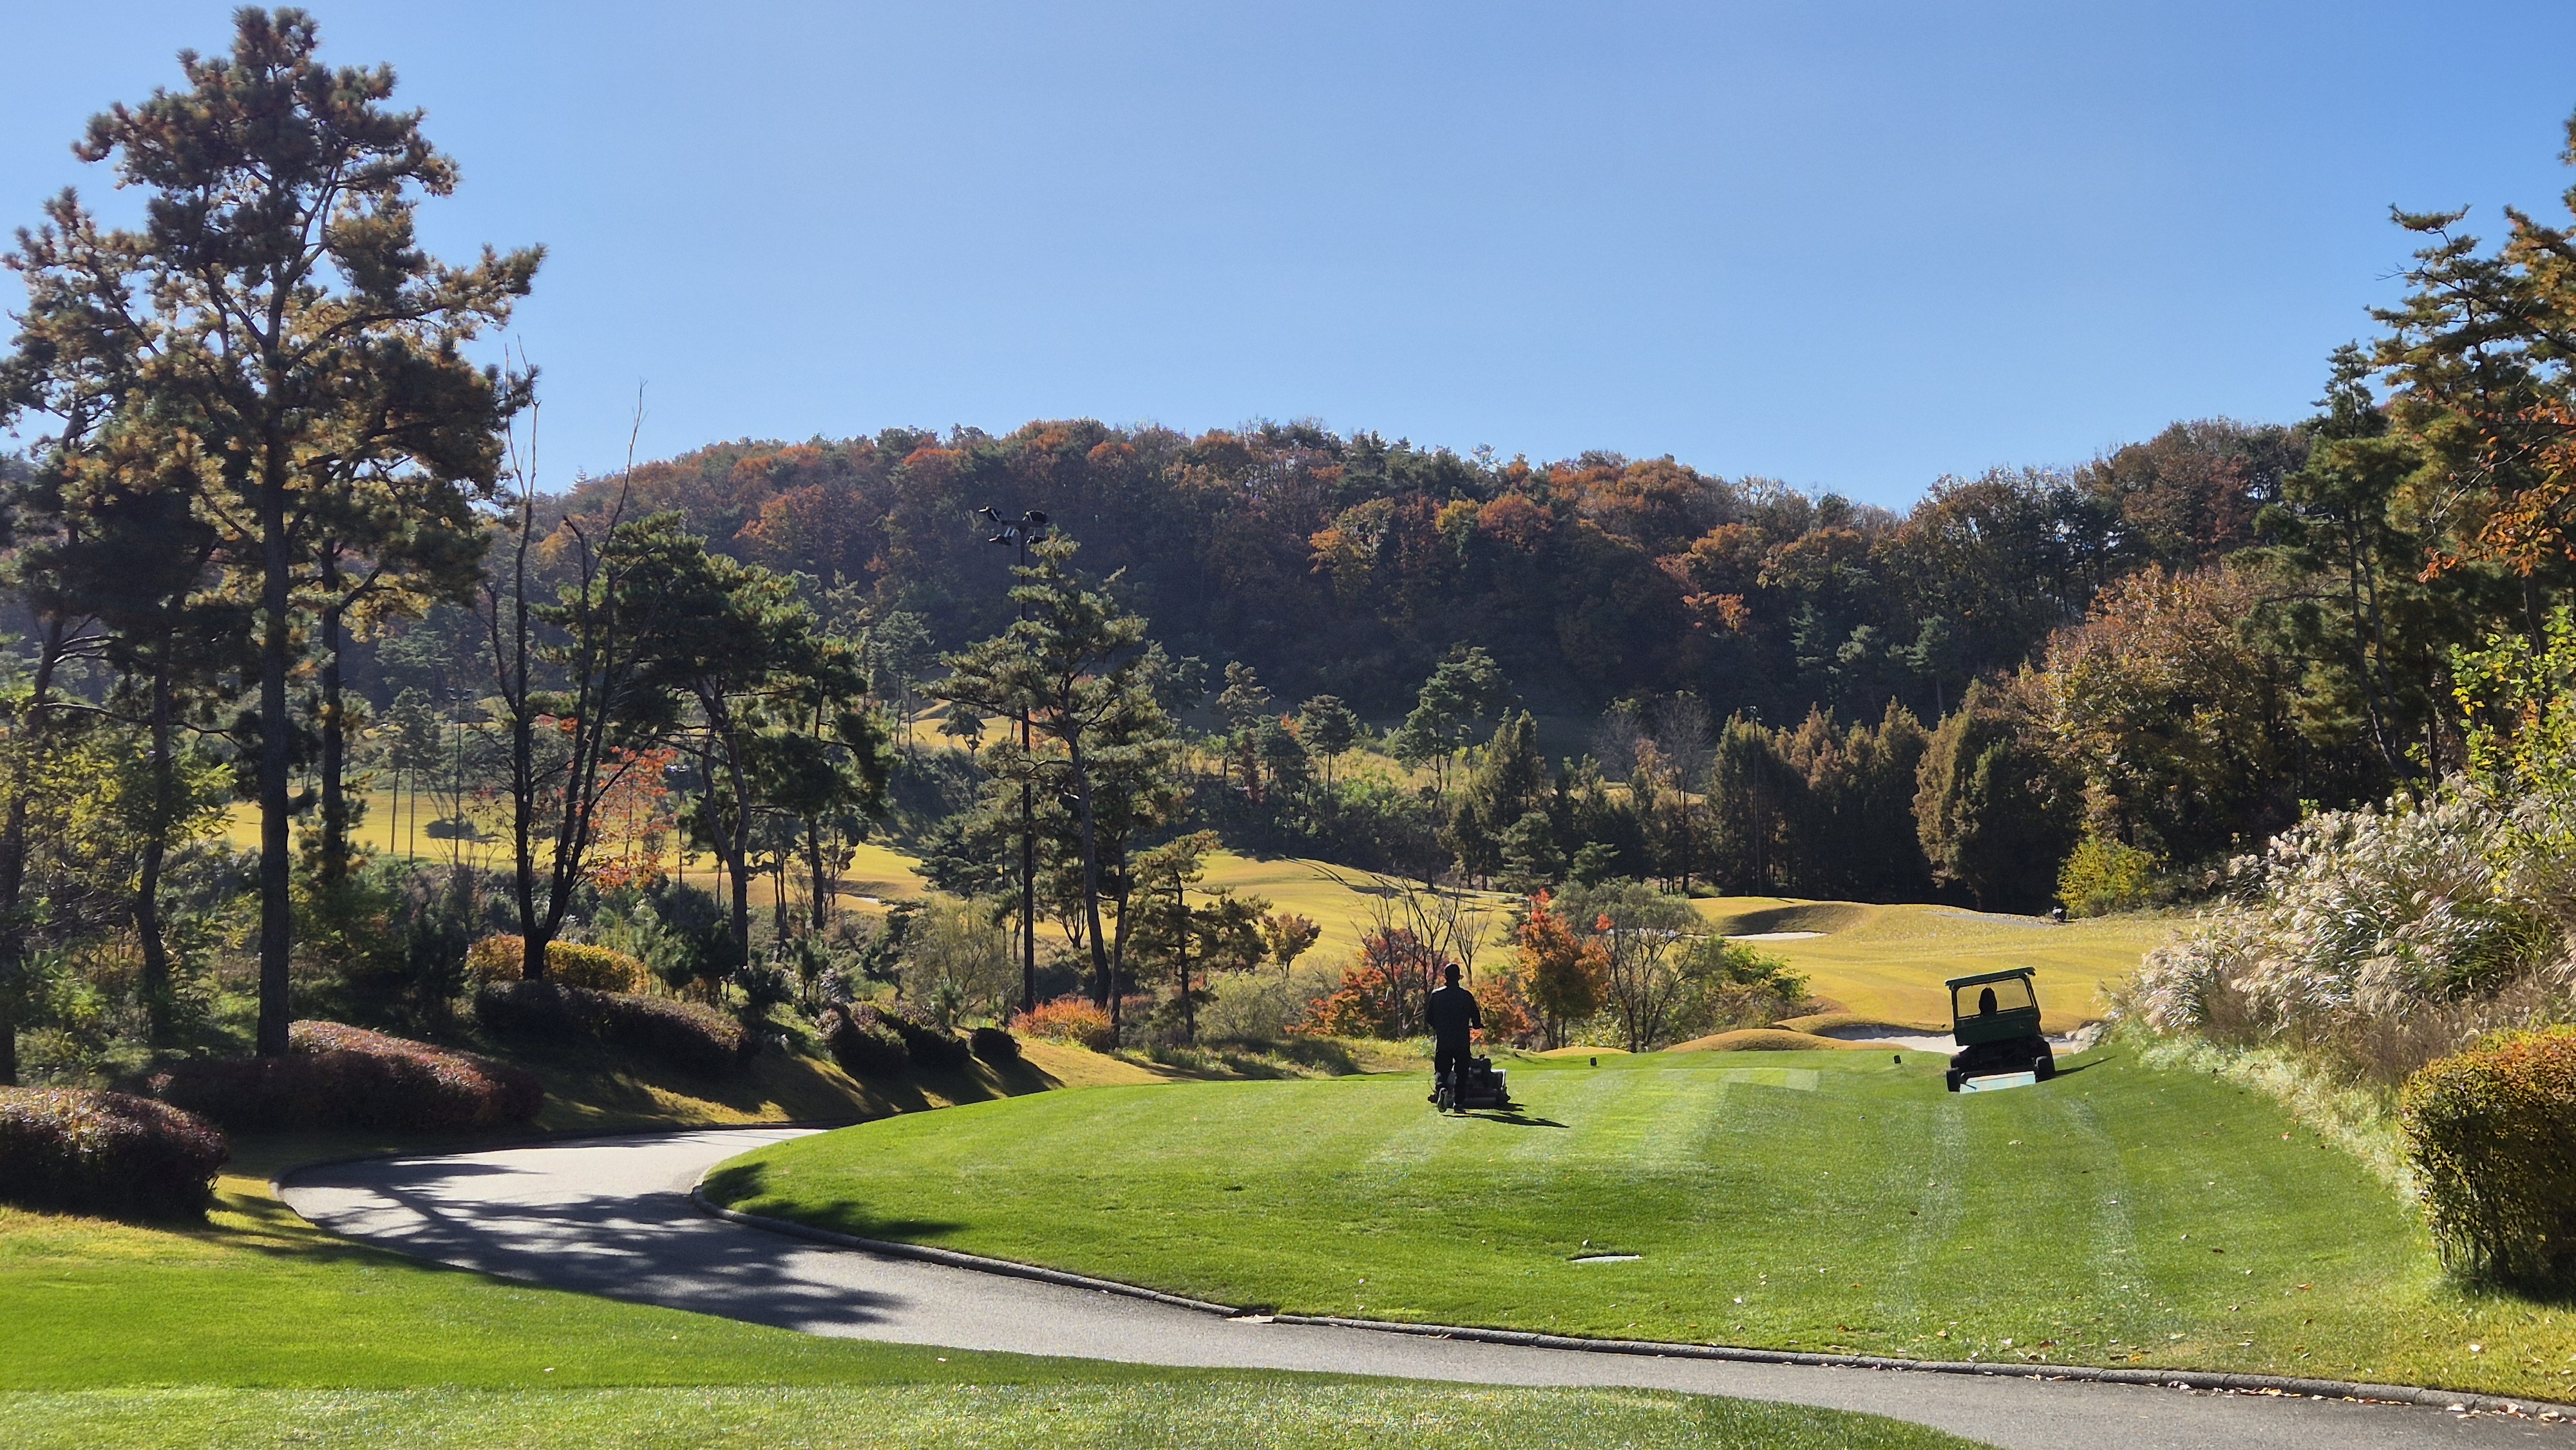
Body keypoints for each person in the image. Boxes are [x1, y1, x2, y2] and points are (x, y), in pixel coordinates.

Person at [1426, 963, 1482, 1109]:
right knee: (1462, 1071)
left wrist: (1439, 1027)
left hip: (1444, 1039)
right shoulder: (1466, 996)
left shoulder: (1436, 996)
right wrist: (1476, 1025)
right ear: (1459, 978)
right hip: (1462, 1040)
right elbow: (1476, 1016)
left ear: (1445, 978)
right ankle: (1459, 1102)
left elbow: (1429, 1017)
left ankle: (1442, 1088)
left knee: (1442, 1069)